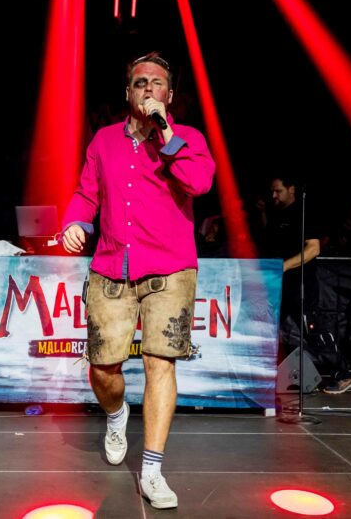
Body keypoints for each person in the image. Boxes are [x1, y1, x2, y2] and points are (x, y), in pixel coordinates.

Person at [61, 52, 215, 510]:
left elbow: (198, 183)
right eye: (141, 82)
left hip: (170, 269)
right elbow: (87, 193)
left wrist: (165, 133)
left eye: (157, 83)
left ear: (170, 94)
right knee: (103, 366)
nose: (149, 88)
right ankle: (116, 413)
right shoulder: (104, 141)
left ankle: (151, 470)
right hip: (112, 265)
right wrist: (76, 222)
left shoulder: (187, 139)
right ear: (128, 92)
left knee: (159, 363)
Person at [262, 174, 351, 394]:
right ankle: (270, 374)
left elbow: (314, 248)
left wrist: (284, 266)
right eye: (272, 191)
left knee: (312, 329)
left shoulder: (303, 213)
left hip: (300, 284)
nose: (274, 195)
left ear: (291, 189)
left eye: (278, 191)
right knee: (269, 328)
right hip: (279, 284)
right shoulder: (276, 215)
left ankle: (344, 372)